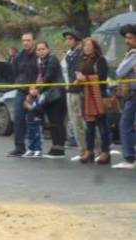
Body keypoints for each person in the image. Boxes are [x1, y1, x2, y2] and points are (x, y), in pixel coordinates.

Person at [75, 38, 111, 164]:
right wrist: (78, 78)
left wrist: (85, 78)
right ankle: (89, 151)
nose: (87, 48)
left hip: (99, 96)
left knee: (103, 126)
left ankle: (105, 152)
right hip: (85, 96)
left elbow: (102, 77)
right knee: (89, 127)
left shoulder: (101, 60)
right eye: (85, 45)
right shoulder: (82, 60)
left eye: (89, 45)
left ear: (95, 47)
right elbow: (78, 73)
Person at [35, 41, 68, 158]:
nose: (41, 51)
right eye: (38, 50)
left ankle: (60, 148)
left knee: (57, 121)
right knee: (53, 122)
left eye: (43, 49)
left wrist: (37, 89)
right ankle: (55, 146)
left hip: (57, 94)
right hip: (50, 95)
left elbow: (48, 77)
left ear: (48, 49)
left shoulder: (52, 59)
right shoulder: (41, 62)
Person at [8, 33, 38, 157]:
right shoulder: (19, 57)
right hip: (21, 91)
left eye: (28, 40)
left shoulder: (38, 55)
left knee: (33, 120)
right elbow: (14, 73)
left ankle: (34, 148)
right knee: (18, 119)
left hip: (36, 92)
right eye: (23, 40)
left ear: (33, 41)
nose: (26, 43)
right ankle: (19, 147)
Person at [112, 24, 136, 169]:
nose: (127, 40)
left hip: (133, 95)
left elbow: (120, 72)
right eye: (126, 37)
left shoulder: (133, 54)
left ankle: (128, 158)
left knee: (125, 125)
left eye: (130, 37)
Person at [61, 30, 85, 161]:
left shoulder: (80, 54)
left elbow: (80, 72)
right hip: (69, 90)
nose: (68, 41)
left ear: (77, 40)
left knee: (83, 122)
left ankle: (94, 150)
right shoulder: (69, 55)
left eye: (70, 38)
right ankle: (82, 150)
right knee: (75, 122)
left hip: (78, 91)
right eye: (67, 39)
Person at [23, 86, 45, 158]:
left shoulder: (40, 98)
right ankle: (31, 149)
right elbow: (25, 107)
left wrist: (31, 107)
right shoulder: (28, 98)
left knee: (37, 135)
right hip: (29, 119)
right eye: (31, 89)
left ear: (38, 90)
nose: (33, 91)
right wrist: (27, 106)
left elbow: (40, 108)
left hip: (37, 119)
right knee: (30, 135)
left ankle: (38, 149)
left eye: (35, 89)